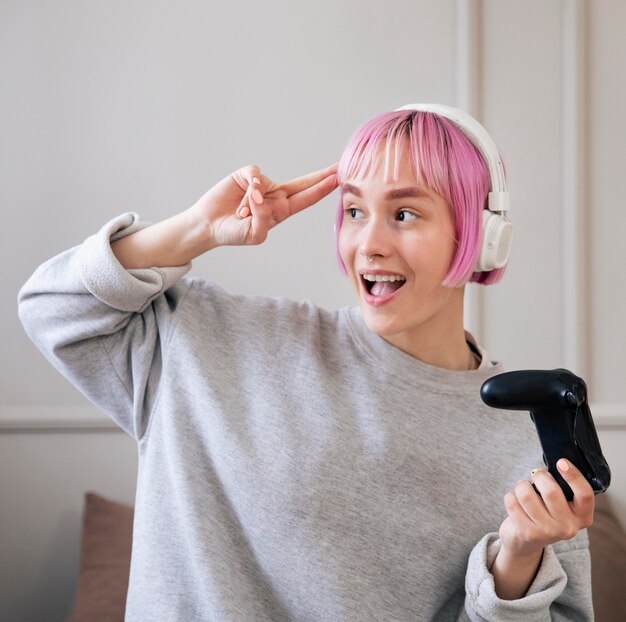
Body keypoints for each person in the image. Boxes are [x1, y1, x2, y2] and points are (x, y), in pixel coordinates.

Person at [18, 105, 595, 621]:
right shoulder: (211, 339)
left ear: (481, 237)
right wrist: (195, 230)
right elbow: (52, 308)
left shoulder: (526, 432)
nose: (367, 243)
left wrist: (516, 565)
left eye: (404, 215)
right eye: (352, 211)